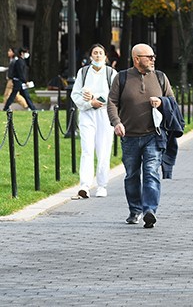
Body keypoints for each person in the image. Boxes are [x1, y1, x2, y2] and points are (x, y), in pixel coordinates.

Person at [107, 43, 174, 228]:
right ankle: (135, 210)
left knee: (151, 172)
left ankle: (149, 210)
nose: (153, 59)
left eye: (153, 56)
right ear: (137, 59)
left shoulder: (160, 77)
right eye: (149, 57)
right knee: (132, 175)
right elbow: (112, 102)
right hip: (129, 136)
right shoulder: (122, 78)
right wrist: (116, 122)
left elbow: (172, 101)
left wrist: (161, 101)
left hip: (153, 134)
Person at [70, 44, 116, 199]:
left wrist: (100, 101)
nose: (97, 56)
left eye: (100, 53)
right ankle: (85, 185)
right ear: (90, 56)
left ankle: (102, 185)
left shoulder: (111, 73)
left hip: (104, 115)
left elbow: (116, 95)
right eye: (95, 53)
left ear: (105, 56)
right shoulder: (83, 72)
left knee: (103, 150)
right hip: (87, 114)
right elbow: (75, 95)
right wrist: (89, 103)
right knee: (87, 149)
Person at [4, 47, 36, 111]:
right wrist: (25, 81)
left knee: (23, 95)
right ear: (22, 53)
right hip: (18, 81)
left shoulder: (20, 61)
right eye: (25, 52)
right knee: (15, 95)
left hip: (19, 81)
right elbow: (20, 73)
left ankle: (32, 108)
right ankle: (32, 108)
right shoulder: (19, 62)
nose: (27, 54)